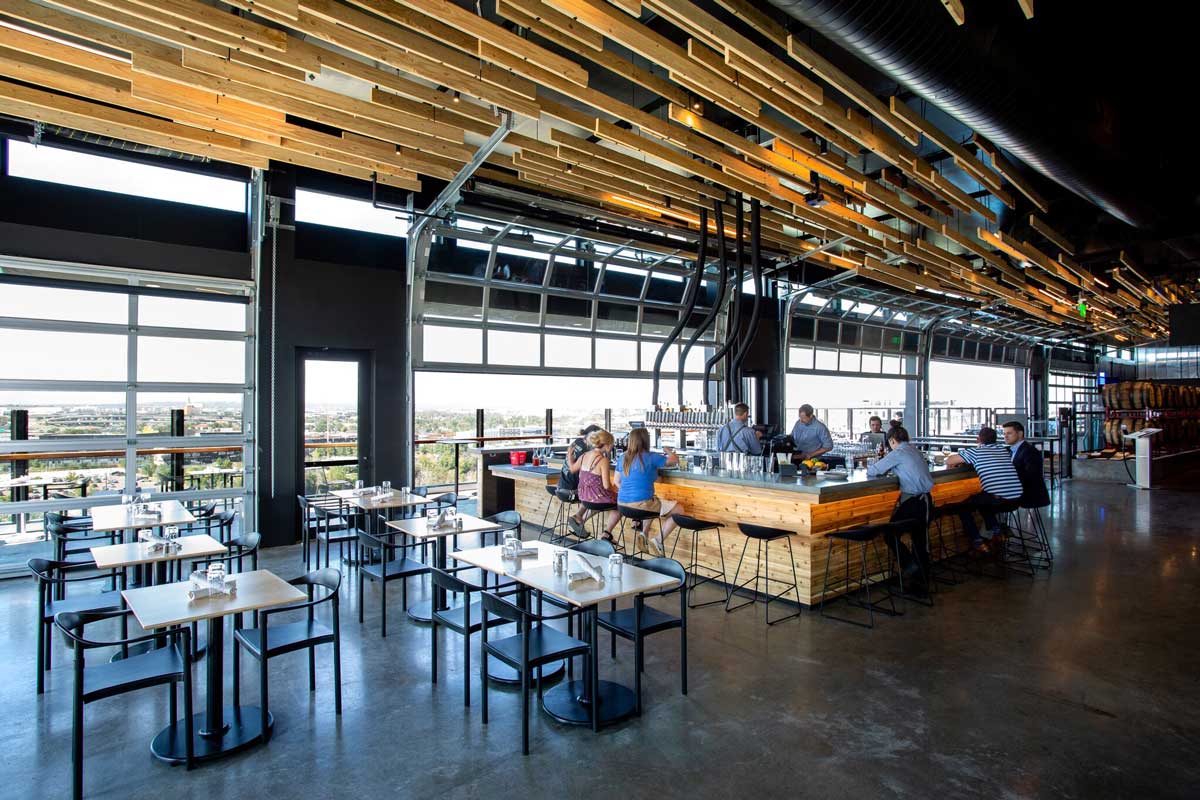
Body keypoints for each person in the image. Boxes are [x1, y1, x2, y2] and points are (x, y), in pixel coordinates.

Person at [867, 426, 933, 590]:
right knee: (919, 541)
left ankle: (913, 570)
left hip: (914, 501)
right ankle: (920, 578)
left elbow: (873, 470)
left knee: (890, 534)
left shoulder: (898, 452)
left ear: (892, 441)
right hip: (925, 501)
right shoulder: (913, 450)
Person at [945, 426, 1023, 550]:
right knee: (982, 499)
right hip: (1016, 499)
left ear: (978, 439)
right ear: (996, 439)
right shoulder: (1003, 450)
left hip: (997, 500)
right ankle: (997, 531)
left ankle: (977, 541)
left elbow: (949, 459)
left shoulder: (976, 452)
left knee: (962, 507)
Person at [613, 427, 684, 556]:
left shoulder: (623, 457)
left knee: (652, 502)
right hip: (642, 505)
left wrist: (630, 494)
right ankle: (658, 540)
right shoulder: (651, 457)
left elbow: (616, 482)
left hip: (622, 506)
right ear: (647, 440)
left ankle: (644, 534)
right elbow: (675, 459)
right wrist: (667, 450)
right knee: (678, 509)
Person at [570, 429, 621, 541]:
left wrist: (570, 455)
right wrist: (617, 490)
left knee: (598, 499)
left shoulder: (584, 455)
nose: (612, 447)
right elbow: (607, 486)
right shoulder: (603, 460)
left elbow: (572, 468)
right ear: (607, 446)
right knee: (620, 503)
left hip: (584, 496)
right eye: (612, 445)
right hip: (596, 497)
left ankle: (580, 518)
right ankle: (606, 533)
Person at [561, 424, 601, 531]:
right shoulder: (586, 450)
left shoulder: (577, 442)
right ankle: (579, 519)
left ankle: (578, 519)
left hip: (562, 484)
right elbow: (574, 469)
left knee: (593, 491)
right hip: (571, 490)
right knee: (599, 499)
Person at [1003, 420, 1049, 508]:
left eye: (1009, 433)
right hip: (1017, 491)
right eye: (1004, 433)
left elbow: (1031, 475)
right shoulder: (1010, 450)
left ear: (1020, 434)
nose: (1005, 436)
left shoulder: (1030, 451)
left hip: (1028, 495)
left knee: (986, 503)